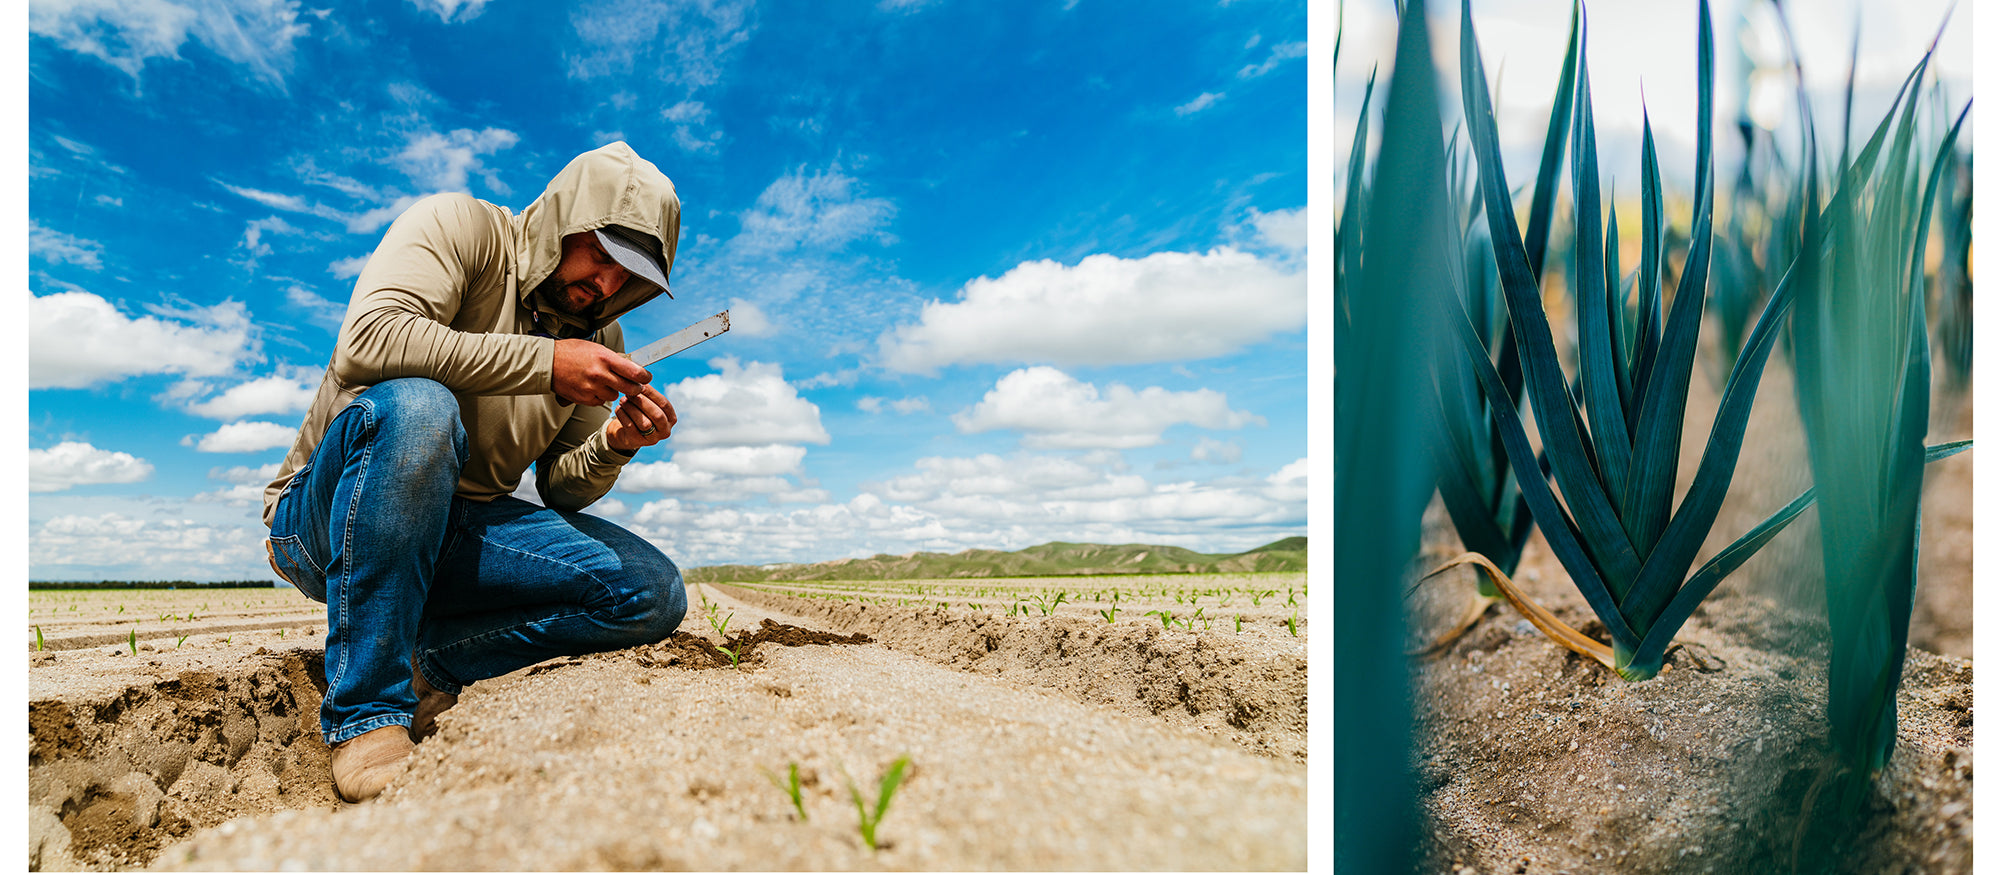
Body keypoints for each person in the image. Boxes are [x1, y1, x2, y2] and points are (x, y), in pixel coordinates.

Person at [261, 141, 689, 802]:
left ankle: (434, 662)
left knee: (649, 590)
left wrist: (615, 441)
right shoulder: (459, 228)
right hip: (329, 514)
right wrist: (546, 363)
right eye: (599, 254)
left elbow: (560, 487)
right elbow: (368, 340)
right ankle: (368, 716)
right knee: (422, 409)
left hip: (456, 527)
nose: (604, 284)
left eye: (626, 275)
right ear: (561, 223)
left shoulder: (599, 335)